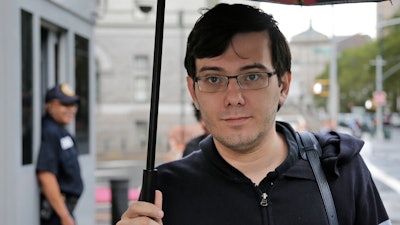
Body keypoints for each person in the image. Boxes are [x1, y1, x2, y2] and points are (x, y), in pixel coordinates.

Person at [117, 3, 391, 225]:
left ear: (283, 85)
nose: (233, 98)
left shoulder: (342, 169)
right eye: (213, 79)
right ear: (193, 91)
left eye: (252, 76)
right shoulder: (165, 191)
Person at [36, 83, 84, 225]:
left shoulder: (61, 130)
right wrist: (64, 215)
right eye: (64, 105)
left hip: (64, 209)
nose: (71, 110)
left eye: (73, 105)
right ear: (49, 106)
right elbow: (46, 175)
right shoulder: (50, 132)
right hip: (56, 213)